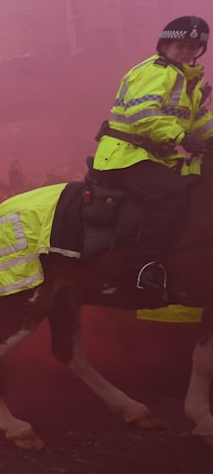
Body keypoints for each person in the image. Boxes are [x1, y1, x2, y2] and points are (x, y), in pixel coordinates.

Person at [92, 15, 213, 291]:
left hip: (153, 156)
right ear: (165, 44)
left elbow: (203, 122)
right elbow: (144, 116)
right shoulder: (154, 71)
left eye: (192, 47)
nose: (185, 50)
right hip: (126, 154)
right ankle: (142, 266)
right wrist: (182, 137)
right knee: (171, 193)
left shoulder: (188, 82)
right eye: (180, 44)